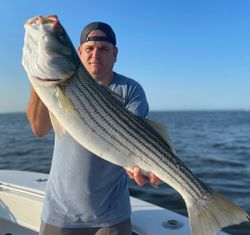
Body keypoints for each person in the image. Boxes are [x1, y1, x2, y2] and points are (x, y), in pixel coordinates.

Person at [27, 20, 160, 235]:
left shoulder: (130, 90)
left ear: (115, 54)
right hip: (60, 212)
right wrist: (37, 78)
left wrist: (137, 163)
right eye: (89, 49)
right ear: (79, 52)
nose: (95, 55)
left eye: (104, 49)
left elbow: (133, 142)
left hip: (112, 215)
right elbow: (39, 129)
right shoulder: (55, 86)